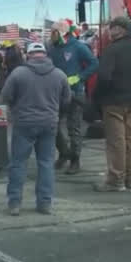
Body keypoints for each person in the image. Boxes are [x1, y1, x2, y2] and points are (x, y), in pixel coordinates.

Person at [0, 42, 71, 216]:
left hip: (24, 123)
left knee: (18, 164)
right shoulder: (59, 74)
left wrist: (16, 108)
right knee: (46, 163)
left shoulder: (18, 73)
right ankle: (45, 203)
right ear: (45, 55)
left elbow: (5, 96)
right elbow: (67, 99)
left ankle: (15, 203)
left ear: (29, 55)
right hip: (49, 123)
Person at [93, 16, 131, 192]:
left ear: (119, 30)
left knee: (116, 141)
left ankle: (116, 180)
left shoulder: (111, 50)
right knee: (130, 139)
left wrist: (97, 97)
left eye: (111, 27)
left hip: (113, 101)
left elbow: (104, 77)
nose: (109, 30)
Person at [48, 24, 99, 174]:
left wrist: (79, 77)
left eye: (54, 32)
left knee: (74, 127)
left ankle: (75, 160)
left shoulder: (78, 46)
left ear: (63, 33)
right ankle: (64, 153)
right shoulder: (51, 48)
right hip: (56, 94)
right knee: (52, 126)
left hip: (75, 93)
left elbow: (94, 63)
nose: (52, 35)